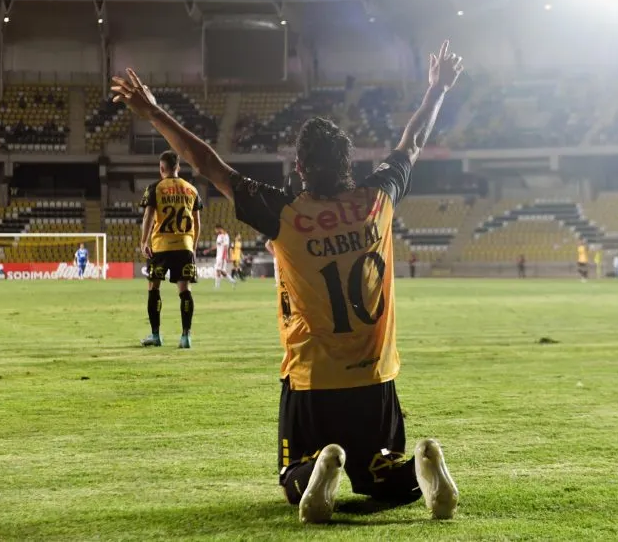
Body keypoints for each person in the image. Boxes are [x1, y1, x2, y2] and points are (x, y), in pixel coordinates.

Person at [111, 40, 463, 524]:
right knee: (378, 472)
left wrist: (152, 111)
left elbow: (208, 163)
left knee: (290, 475)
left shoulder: (285, 213)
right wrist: (437, 90)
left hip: (312, 379)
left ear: (299, 168)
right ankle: (418, 474)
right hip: (374, 377)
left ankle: (315, 470)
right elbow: (412, 141)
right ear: (349, 163)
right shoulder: (377, 199)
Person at [139, 150, 203, 349]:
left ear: (161, 168)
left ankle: (156, 335)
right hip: (184, 246)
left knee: (154, 288)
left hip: (160, 247)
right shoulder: (191, 189)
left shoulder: (155, 188)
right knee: (185, 291)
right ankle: (186, 337)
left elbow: (148, 216)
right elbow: (198, 223)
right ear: (178, 167)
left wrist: (144, 241)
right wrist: (193, 245)